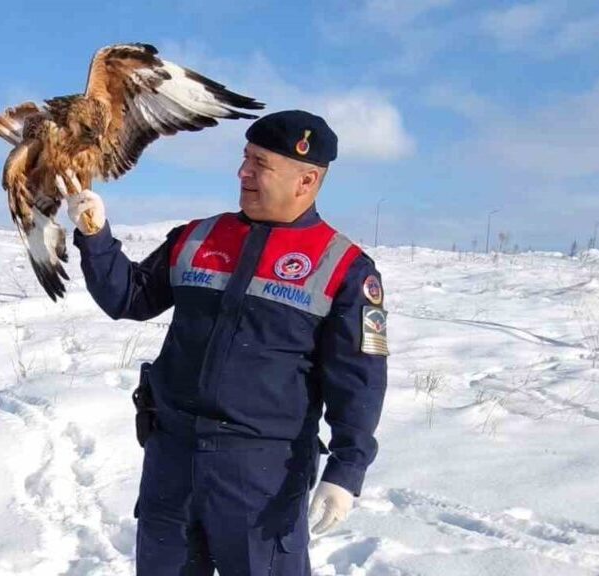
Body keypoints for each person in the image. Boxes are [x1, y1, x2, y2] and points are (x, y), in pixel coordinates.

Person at [61, 110, 389, 575]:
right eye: (244, 159)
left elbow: (359, 380)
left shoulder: (345, 268)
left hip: (262, 477)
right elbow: (129, 298)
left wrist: (347, 470)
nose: (243, 173)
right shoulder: (197, 237)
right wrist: (96, 238)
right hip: (171, 461)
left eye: (260, 164)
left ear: (307, 179)